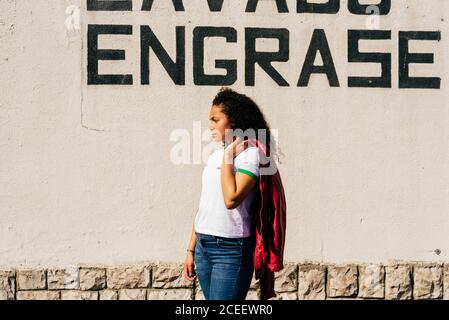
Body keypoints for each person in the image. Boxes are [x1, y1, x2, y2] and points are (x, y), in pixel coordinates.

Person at [182, 87, 280, 300]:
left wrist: (228, 157)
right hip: (203, 246)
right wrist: (191, 250)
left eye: (215, 120)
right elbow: (204, 205)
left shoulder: (251, 155)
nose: (210, 126)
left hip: (230, 249)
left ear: (233, 120)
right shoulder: (216, 155)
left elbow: (231, 198)